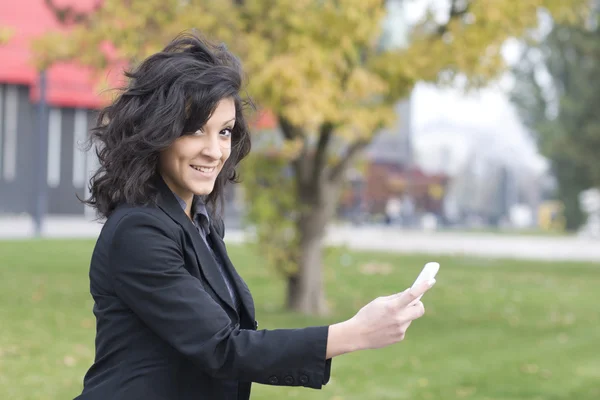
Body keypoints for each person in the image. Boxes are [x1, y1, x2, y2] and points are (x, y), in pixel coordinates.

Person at [74, 32, 435, 400]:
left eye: (225, 132)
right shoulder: (140, 230)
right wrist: (354, 333)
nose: (215, 151)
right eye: (196, 129)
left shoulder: (197, 218)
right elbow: (223, 348)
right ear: (157, 131)